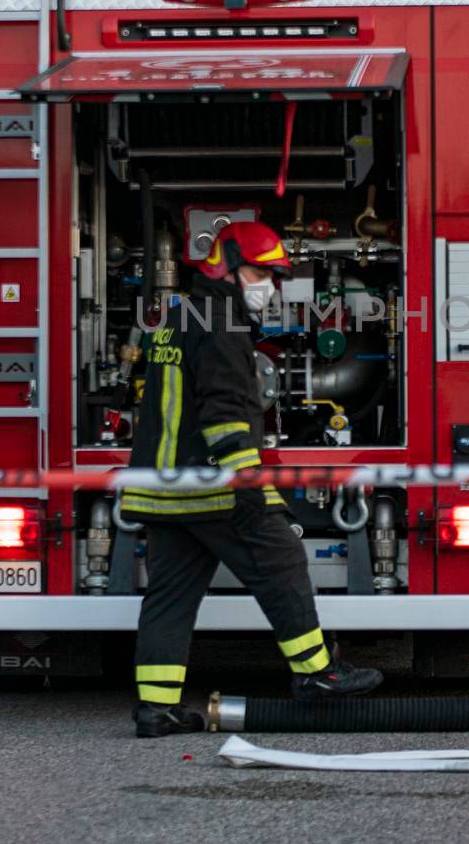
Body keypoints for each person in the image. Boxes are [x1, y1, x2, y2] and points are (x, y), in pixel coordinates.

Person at [122, 221, 382, 738]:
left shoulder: (179, 316)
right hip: (213, 486)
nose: (271, 286)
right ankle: (316, 674)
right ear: (231, 267)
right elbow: (224, 411)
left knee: (170, 597)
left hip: (162, 488)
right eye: (264, 274)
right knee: (281, 560)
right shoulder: (221, 322)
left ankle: (157, 708)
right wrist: (246, 482)